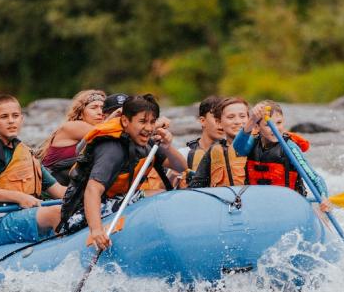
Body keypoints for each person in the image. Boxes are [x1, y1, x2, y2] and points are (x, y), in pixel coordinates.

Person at [58, 94, 187, 249]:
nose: (149, 128)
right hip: (82, 212)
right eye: (142, 121)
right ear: (125, 121)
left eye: (152, 122)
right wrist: (97, 230)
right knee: (158, 195)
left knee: (167, 194)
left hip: (118, 198)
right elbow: (93, 190)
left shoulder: (145, 142)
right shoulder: (112, 148)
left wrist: (168, 147)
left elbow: (181, 167)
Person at [0, 94, 66, 245]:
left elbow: (58, 191)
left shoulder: (27, 154)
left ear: (22, 119)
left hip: (24, 216)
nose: (11, 121)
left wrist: (91, 193)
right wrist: (19, 197)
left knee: (70, 209)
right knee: (56, 212)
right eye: (4, 117)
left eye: (15, 116)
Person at [232, 100, 328, 199]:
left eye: (279, 122)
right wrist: (251, 120)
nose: (275, 128)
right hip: (257, 200)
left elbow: (312, 176)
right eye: (268, 125)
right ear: (257, 127)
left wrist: (323, 197)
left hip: (288, 202)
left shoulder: (290, 147)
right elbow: (238, 148)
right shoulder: (253, 143)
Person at [38, 90, 105, 184]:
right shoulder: (72, 126)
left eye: (103, 108)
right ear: (81, 114)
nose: (100, 112)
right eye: (93, 108)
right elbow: (105, 133)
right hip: (49, 191)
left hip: (72, 189)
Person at [190, 97, 250, 188]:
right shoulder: (214, 151)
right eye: (231, 117)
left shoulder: (259, 147)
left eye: (242, 116)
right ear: (219, 123)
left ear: (249, 120)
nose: (238, 122)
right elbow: (196, 184)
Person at [178, 95, 224, 186]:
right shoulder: (183, 155)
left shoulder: (235, 152)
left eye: (224, 118)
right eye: (216, 119)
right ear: (202, 121)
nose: (221, 124)